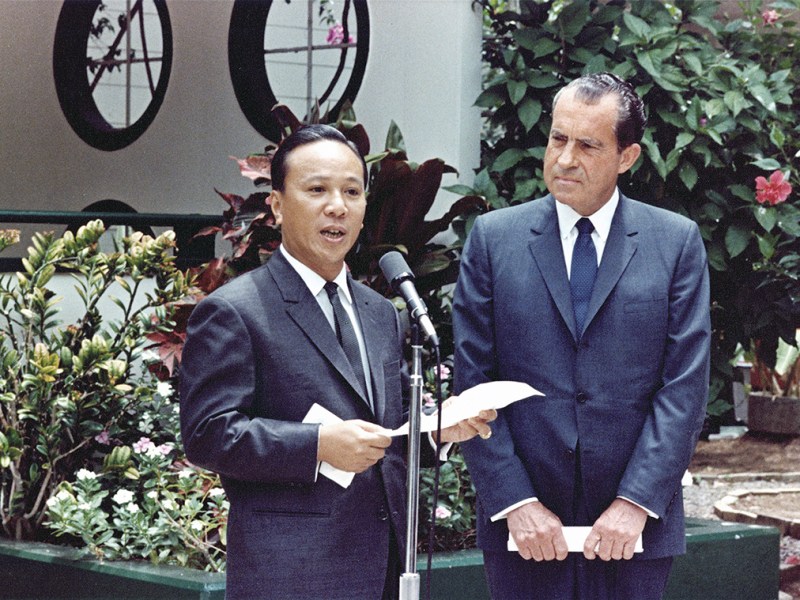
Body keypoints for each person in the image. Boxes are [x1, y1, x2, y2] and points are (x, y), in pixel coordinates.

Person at [180, 124, 495, 600]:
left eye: (352, 191)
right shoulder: (235, 310)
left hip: (385, 570)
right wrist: (318, 445)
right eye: (317, 190)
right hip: (292, 577)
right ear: (277, 205)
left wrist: (435, 432)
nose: (337, 206)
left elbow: (384, 433)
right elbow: (209, 434)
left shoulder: (381, 313)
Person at [452, 73, 711, 599]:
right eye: (558, 139)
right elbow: (473, 384)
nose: (565, 159)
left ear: (627, 157)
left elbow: (684, 386)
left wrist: (636, 502)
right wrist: (516, 502)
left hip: (635, 532)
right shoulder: (494, 240)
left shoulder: (675, 242)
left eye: (588, 145)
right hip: (524, 530)